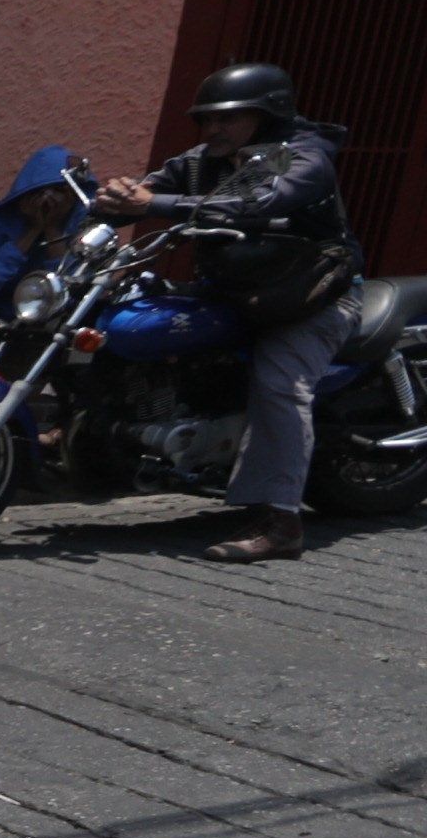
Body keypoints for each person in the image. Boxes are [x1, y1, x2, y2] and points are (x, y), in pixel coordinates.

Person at [94, 59, 362, 565]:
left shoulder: (297, 156)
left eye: (228, 118)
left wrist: (154, 203)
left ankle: (282, 522)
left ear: (267, 115)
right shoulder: (202, 160)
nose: (213, 128)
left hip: (309, 297)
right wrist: (113, 197)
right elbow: (152, 187)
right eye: (207, 119)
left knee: (281, 384)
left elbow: (256, 199)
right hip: (236, 291)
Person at [0, 144, 86, 315]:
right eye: (39, 192)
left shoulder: (80, 222)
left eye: (59, 191)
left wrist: (52, 230)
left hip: (47, 312)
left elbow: (70, 288)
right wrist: (31, 231)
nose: (47, 201)